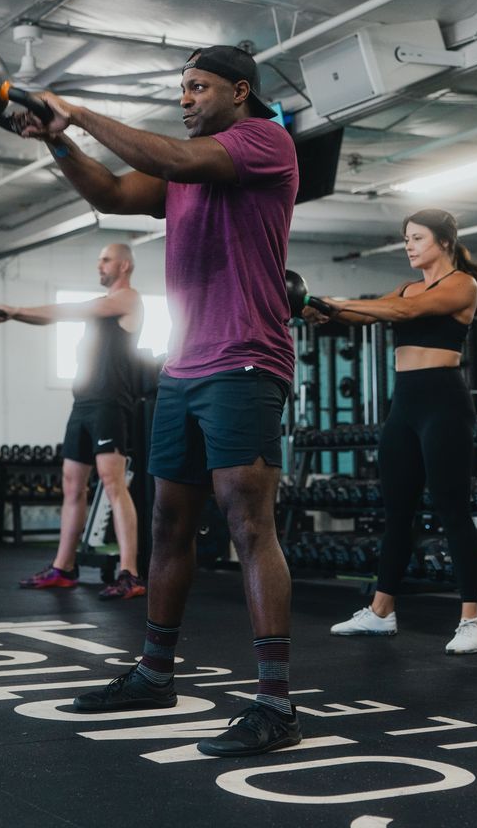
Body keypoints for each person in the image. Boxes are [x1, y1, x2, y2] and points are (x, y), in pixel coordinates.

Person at [18, 45, 302, 756]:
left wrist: (78, 111)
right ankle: (154, 672)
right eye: (181, 90)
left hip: (245, 361)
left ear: (240, 91)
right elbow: (113, 194)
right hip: (183, 369)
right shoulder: (187, 170)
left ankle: (275, 703)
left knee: (247, 524)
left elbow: (176, 159)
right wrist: (60, 144)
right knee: (169, 524)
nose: (185, 100)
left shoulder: (263, 142)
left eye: (198, 88)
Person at [313, 209, 477, 654]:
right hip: (404, 404)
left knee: (452, 508)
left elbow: (404, 310)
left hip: (443, 402)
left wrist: (337, 302)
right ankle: (381, 612)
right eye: (405, 240)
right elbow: (370, 315)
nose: (409, 246)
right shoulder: (407, 285)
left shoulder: (461, 285)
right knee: (397, 511)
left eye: (417, 238)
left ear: (443, 242)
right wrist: (322, 309)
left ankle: (472, 621)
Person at [0, 243, 147, 599]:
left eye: (105, 259)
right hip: (84, 404)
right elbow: (57, 316)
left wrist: (15, 307)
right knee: (72, 485)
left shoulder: (129, 299)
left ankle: (130, 573)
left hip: (111, 403)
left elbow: (68, 310)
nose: (100, 265)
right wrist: (14, 315)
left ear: (124, 265)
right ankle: (63, 568)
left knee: (112, 483)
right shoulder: (100, 309)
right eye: (98, 259)